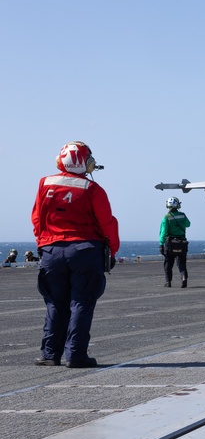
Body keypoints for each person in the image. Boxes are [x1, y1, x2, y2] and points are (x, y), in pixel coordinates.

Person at [32, 141, 119, 368]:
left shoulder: (45, 184)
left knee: (54, 302)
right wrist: (113, 250)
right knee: (81, 302)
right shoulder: (92, 189)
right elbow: (107, 223)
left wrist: (44, 245)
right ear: (86, 163)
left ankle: (50, 354)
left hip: (51, 250)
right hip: (85, 251)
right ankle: (76, 355)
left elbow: (37, 219)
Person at [159, 197, 191, 288]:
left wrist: (161, 244)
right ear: (178, 205)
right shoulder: (183, 215)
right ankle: (184, 277)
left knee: (168, 263)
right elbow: (188, 224)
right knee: (181, 263)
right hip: (181, 242)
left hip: (170, 244)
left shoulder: (166, 217)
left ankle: (168, 282)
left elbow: (163, 232)